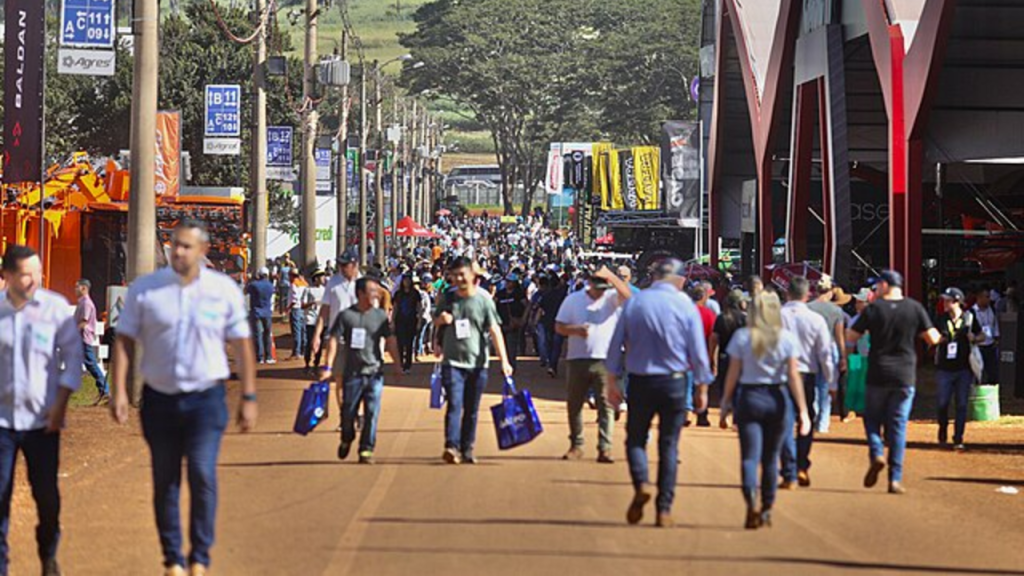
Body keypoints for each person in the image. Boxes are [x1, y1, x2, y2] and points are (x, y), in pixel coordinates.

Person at [110, 220, 258, 576]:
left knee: (202, 474)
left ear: (203, 251)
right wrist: (117, 390)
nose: (177, 252)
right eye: (174, 245)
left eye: (186, 246)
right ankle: (173, 557)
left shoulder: (223, 290)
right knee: (166, 479)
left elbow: (242, 344)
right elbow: (124, 341)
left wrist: (249, 396)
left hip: (206, 400)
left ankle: (200, 558)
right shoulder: (146, 289)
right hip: (159, 400)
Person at [605, 258, 712, 528]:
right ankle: (664, 509)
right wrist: (701, 388)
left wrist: (611, 382)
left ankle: (641, 483)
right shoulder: (685, 305)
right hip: (675, 383)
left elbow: (615, 345)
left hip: (641, 382)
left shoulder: (635, 303)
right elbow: (699, 353)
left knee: (636, 440)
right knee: (669, 446)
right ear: (678, 280)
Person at [0, 245, 82, 576]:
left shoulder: (56, 309)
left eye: (37, 272)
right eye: (25, 273)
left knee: (46, 496)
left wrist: (60, 405)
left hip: (43, 421)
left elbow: (73, 359)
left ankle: (48, 552)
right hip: (2, 422)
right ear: (6, 276)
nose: (34, 279)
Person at [719, 291, 811, 530]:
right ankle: (767, 508)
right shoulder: (787, 339)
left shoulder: (741, 337)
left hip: (749, 397)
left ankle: (751, 503)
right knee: (770, 459)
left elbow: (732, 374)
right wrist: (802, 411)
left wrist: (725, 405)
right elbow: (793, 376)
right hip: (778, 399)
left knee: (749, 457)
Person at [847, 270, 940, 494]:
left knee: (871, 420)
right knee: (898, 425)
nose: (876, 289)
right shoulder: (914, 308)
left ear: (886, 285)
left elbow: (851, 337)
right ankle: (894, 478)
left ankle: (877, 452)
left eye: (878, 286)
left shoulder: (874, 309)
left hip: (878, 372)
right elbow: (933, 338)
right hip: (905, 374)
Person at [433, 257, 514, 465]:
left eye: (462, 274)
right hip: (452, 362)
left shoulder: (484, 300)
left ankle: (467, 448)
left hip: (478, 364)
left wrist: (504, 361)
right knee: (455, 405)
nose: (459, 279)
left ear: (472, 275)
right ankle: (451, 446)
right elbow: (436, 320)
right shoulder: (448, 298)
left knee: (471, 409)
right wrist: (440, 323)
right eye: (455, 275)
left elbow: (494, 330)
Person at [555, 267, 632, 464]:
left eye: (603, 287)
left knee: (606, 406)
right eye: (597, 287)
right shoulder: (573, 300)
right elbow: (559, 326)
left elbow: (629, 297)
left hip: (606, 360)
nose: (600, 292)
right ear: (589, 283)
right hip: (577, 359)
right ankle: (576, 445)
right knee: (575, 404)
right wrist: (576, 330)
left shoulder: (612, 299)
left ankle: (605, 448)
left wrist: (612, 277)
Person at [320, 277, 401, 464]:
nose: (376, 294)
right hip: (352, 373)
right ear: (360, 293)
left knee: (372, 411)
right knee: (348, 411)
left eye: (377, 291)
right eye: (372, 291)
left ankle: (366, 449)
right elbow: (333, 340)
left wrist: (397, 364)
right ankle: (347, 437)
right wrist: (328, 366)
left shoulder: (380, 316)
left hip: (374, 372)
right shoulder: (346, 316)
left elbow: (390, 340)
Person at [779, 276, 835, 489]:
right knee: (806, 421)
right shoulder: (816, 320)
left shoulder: (776, 317)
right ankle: (801, 464)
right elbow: (825, 354)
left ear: (787, 294)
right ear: (807, 295)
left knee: (784, 422)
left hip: (781, 377)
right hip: (806, 376)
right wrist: (831, 382)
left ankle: (789, 469)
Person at [934, 287, 981, 450]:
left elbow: (982, 335)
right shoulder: (941, 319)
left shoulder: (969, 318)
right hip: (944, 367)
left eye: (947, 300)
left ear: (956, 301)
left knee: (961, 404)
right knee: (942, 403)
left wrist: (974, 338)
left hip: (963, 368)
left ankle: (958, 437)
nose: (944, 303)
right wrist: (938, 339)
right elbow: (933, 335)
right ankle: (942, 428)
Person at [807, 275, 848, 433]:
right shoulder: (836, 310)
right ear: (830, 291)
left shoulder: (808, 308)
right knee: (826, 386)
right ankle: (823, 423)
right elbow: (839, 336)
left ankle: (815, 413)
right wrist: (843, 356)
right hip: (830, 349)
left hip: (812, 349)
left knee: (813, 385)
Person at [311, 255, 360, 357]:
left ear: (355, 265)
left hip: (358, 336)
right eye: (340, 265)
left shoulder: (363, 283)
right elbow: (324, 311)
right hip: (337, 335)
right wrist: (317, 335)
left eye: (345, 265)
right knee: (337, 369)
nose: (342, 268)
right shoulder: (333, 282)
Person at [710, 289, 748, 409]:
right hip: (741, 358)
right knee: (739, 385)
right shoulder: (745, 319)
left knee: (723, 385)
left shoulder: (721, 317)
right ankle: (736, 415)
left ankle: (725, 409)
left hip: (724, 356)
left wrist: (712, 357)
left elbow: (714, 339)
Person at [75, 278, 110, 403]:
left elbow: (83, 322)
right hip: (82, 337)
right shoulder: (83, 302)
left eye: (77, 287)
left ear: (84, 288)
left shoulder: (86, 304)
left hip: (84, 337)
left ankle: (105, 389)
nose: (75, 290)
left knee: (91, 363)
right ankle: (103, 390)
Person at [689, 283, 718, 427]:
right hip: (703, 355)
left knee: (687, 387)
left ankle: (684, 413)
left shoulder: (685, 311)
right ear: (704, 296)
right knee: (702, 387)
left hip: (684, 356)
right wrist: (712, 358)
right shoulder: (709, 314)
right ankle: (702, 415)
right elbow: (713, 338)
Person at [496, 275, 529, 368]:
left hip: (513, 323)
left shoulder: (519, 294)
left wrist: (523, 318)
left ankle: (511, 364)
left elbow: (527, 305)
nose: (507, 283)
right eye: (507, 281)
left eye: (510, 281)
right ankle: (504, 363)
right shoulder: (500, 294)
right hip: (502, 322)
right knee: (502, 345)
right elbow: (494, 305)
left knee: (511, 345)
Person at [393, 274, 422, 374]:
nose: (407, 282)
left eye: (408, 280)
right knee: (400, 343)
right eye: (405, 280)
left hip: (411, 320)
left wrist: (419, 321)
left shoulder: (415, 293)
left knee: (409, 344)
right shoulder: (398, 294)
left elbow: (419, 307)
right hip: (400, 321)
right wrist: (392, 321)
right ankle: (401, 364)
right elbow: (395, 308)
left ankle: (408, 365)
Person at [245, 267, 275, 364]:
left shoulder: (254, 285)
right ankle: (269, 356)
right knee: (267, 334)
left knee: (258, 335)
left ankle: (260, 357)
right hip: (267, 312)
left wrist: (250, 279)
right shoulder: (270, 285)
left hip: (256, 312)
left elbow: (245, 291)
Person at [971, 288, 1000, 385]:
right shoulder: (972, 312)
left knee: (993, 373)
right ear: (979, 297)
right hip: (979, 346)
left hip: (990, 345)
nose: (988, 299)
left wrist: (996, 338)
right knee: (979, 372)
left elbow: (994, 324)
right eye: (986, 297)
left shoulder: (991, 309)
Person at [303, 270, 328, 374]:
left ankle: (316, 364)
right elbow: (302, 305)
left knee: (320, 343)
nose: (323, 279)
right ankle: (307, 363)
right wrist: (312, 303)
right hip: (310, 319)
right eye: (321, 277)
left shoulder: (325, 290)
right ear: (316, 278)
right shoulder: (308, 290)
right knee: (310, 342)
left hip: (322, 320)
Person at [288, 273, 309, 360]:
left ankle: (296, 352)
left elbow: (294, 298)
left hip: (296, 308)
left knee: (296, 331)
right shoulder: (305, 284)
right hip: (303, 309)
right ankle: (303, 351)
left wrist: (288, 308)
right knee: (303, 330)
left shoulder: (294, 284)